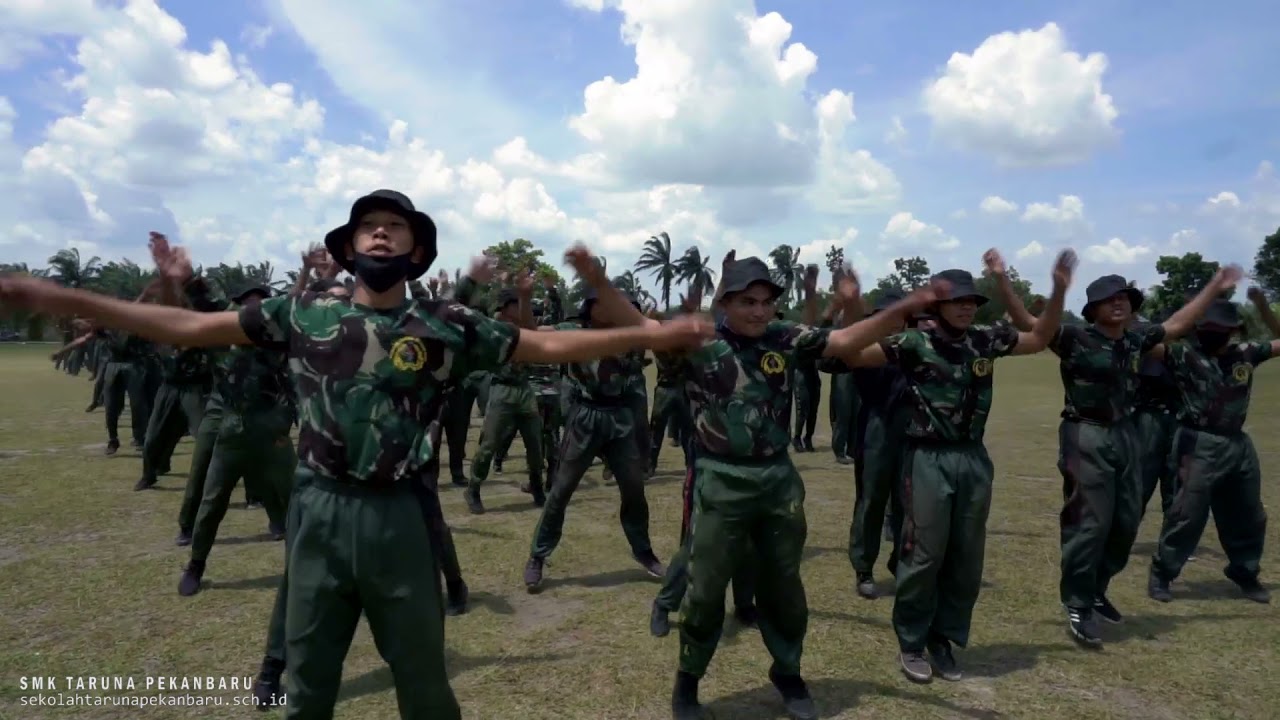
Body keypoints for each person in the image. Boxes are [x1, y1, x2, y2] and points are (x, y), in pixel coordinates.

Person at [0, 188, 714, 720]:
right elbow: (188, 326)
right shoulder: (300, 314)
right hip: (317, 509)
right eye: (367, 227)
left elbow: (547, 345)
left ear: (415, 249)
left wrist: (647, 337)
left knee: (423, 683)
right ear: (348, 248)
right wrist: (65, 295)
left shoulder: (446, 322)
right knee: (309, 679)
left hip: (401, 516)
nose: (379, 234)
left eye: (393, 226)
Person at [845, 252, 1074, 684]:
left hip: (972, 457)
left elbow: (1040, 337)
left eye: (971, 300)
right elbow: (854, 356)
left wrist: (1059, 290)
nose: (967, 307)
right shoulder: (914, 342)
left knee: (966, 556)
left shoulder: (985, 340)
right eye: (956, 301)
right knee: (924, 553)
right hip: (926, 457)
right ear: (936, 306)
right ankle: (912, 641)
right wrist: (856, 307)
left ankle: (943, 639)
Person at [997, 258, 1239, 648]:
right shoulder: (1075, 337)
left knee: (1126, 521)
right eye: (1109, 299)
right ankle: (1077, 602)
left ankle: (1096, 587)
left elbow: (1177, 324)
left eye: (1124, 297)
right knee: (1090, 523)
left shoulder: (1135, 338)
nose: (1119, 303)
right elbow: (1028, 322)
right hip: (1085, 433)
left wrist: (1215, 285)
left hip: (1127, 434)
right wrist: (1002, 279)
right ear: (1093, 308)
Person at [1148, 290, 1276, 604]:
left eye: (1222, 328)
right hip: (1197, 441)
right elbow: (1141, 343)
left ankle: (1244, 572)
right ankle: (1163, 572)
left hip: (1237, 443)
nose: (1214, 333)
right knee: (1187, 513)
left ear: (1234, 330)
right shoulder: (1182, 354)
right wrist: (1183, 318)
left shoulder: (1246, 353)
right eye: (1207, 326)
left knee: (1248, 513)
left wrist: (1262, 308)